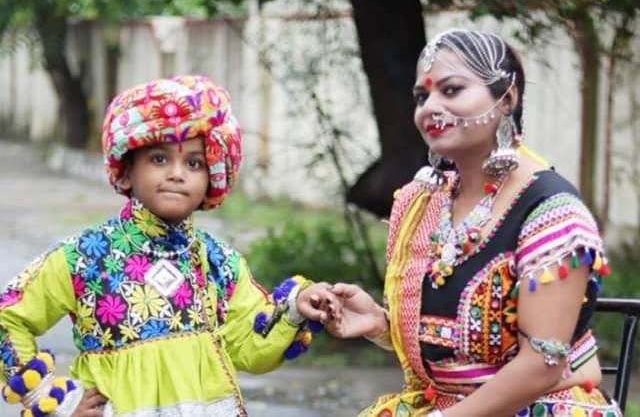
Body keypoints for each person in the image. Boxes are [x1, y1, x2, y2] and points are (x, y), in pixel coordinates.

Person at [324, 29, 623, 416]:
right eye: (421, 96)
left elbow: (542, 366)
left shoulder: (551, 213)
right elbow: (457, 346)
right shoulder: (421, 202)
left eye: (451, 90)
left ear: (506, 99)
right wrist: (381, 325)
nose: (429, 107)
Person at [0, 75, 335, 417]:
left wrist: (295, 309)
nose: (177, 174)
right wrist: (52, 399)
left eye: (194, 163)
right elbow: (8, 318)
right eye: (159, 159)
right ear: (127, 171)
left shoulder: (220, 262)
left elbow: (251, 346)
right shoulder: (84, 257)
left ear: (211, 180)